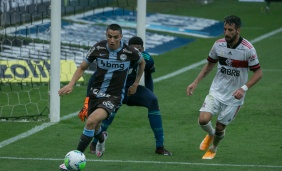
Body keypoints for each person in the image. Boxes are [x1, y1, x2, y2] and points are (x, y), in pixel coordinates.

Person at [58, 24, 145, 171]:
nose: (112, 40)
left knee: (91, 121)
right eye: (109, 36)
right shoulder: (98, 48)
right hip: (95, 93)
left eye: (115, 37)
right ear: (106, 35)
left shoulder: (129, 52)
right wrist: (71, 84)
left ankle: (74, 158)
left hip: (114, 96)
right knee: (95, 125)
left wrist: (136, 83)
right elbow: (82, 68)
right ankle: (102, 139)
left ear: (121, 37)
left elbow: (142, 63)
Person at [78, 36, 172, 156]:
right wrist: (87, 100)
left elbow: (148, 77)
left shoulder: (147, 59)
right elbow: (94, 77)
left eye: (140, 49)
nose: (137, 51)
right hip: (114, 92)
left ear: (143, 49)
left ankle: (160, 146)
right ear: (129, 48)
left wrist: (148, 92)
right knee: (108, 113)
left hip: (133, 91)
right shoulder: (118, 57)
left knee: (153, 100)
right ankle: (95, 142)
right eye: (134, 48)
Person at [186, 15, 263, 160]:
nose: (226, 33)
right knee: (203, 119)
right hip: (217, 91)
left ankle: (213, 148)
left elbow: (258, 73)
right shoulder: (218, 45)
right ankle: (210, 134)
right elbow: (210, 64)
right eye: (225, 29)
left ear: (238, 30)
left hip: (234, 97)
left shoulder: (248, 49)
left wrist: (243, 89)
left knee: (220, 127)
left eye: (230, 30)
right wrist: (195, 82)